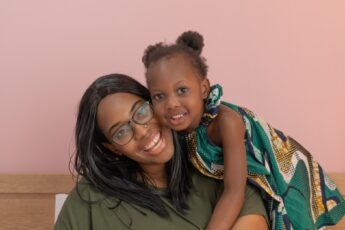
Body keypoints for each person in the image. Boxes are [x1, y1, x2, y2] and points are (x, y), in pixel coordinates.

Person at [142, 31, 345, 229]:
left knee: (290, 216)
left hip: (278, 170)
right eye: (159, 96)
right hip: (228, 179)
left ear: (204, 89)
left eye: (182, 90)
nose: (171, 104)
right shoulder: (167, 129)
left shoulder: (226, 122)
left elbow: (234, 191)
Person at [55, 73, 269, 230]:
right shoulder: (89, 199)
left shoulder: (217, 170)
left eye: (141, 111)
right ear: (112, 148)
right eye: (120, 132)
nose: (142, 131)